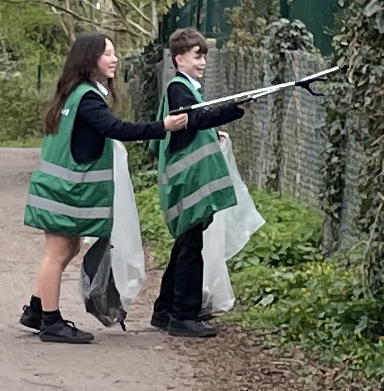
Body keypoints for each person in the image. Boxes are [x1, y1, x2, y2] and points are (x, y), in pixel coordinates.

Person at [20, 31, 242, 344]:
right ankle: (51, 321)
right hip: (64, 190)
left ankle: (36, 309)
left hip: (58, 187)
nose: (114, 59)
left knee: (64, 249)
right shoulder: (86, 98)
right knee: (57, 254)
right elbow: (117, 129)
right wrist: (162, 127)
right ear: (89, 60)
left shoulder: (75, 93)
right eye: (108, 53)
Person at [150, 29, 246, 338]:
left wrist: (212, 133)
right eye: (196, 55)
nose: (202, 61)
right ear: (179, 59)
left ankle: (165, 309)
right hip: (188, 183)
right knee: (191, 246)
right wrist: (234, 110)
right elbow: (195, 119)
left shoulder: (186, 88)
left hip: (189, 183)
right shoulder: (180, 89)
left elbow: (191, 127)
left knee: (185, 244)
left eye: (203, 55)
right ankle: (183, 314)